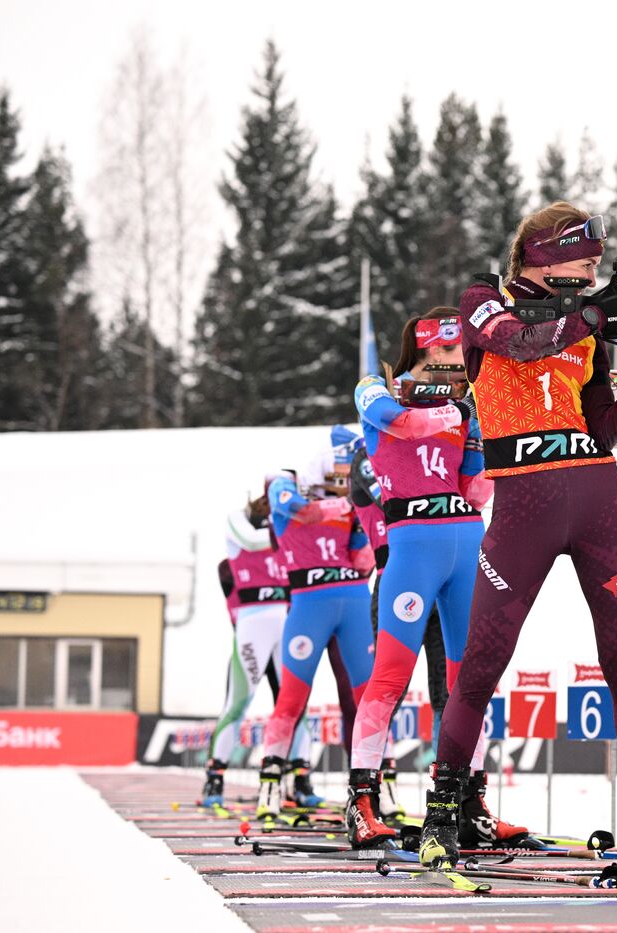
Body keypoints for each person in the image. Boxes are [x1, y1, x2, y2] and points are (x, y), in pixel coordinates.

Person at [419, 202, 617, 869]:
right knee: (479, 667)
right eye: (583, 255)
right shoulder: (483, 301)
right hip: (522, 508)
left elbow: (604, 429)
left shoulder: (585, 327)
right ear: (541, 253)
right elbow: (517, 341)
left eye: (598, 261)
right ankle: (443, 814)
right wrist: (599, 310)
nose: (595, 265)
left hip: (601, 499)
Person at [345, 308, 531, 849]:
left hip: (466, 545)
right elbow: (403, 424)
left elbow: (476, 490)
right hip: (413, 550)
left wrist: (487, 435)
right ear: (428, 352)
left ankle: (470, 803)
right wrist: (453, 412)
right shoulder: (375, 391)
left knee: (467, 683)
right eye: (452, 356)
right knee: (389, 677)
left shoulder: (462, 406)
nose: (459, 365)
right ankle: (362, 803)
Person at [254, 436, 376, 818]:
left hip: (353, 603)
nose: (343, 483)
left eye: (347, 477)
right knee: (290, 698)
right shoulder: (287, 488)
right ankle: (271, 784)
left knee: (369, 699)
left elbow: (362, 562)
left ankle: (373, 789)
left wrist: (363, 521)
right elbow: (297, 509)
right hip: (308, 605)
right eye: (336, 476)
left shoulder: (355, 502)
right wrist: (350, 504)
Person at [348, 441, 447, 821]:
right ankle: (367, 795)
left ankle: (450, 801)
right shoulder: (367, 452)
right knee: (389, 689)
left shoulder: (441, 443)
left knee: (448, 693)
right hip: (397, 580)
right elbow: (390, 494)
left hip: (446, 582)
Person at [201, 494, 320, 808]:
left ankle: (301, 780)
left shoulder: (292, 529)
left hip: (288, 621)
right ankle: (214, 779)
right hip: (254, 627)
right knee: (237, 703)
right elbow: (251, 540)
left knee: (297, 706)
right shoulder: (241, 524)